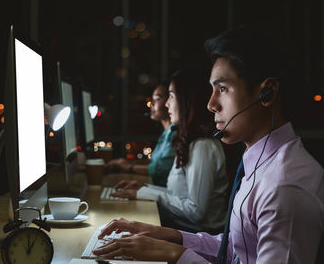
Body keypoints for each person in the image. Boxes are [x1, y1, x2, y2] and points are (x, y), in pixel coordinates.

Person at [92, 25, 324, 264]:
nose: (211, 104)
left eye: (222, 89)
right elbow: (237, 250)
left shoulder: (284, 187)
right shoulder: (261, 161)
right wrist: (168, 236)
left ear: (268, 94)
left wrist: (174, 254)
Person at [110, 70, 228, 233]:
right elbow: (178, 196)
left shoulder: (203, 146)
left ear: (187, 101)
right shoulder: (189, 142)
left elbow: (196, 212)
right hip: (181, 228)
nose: (167, 104)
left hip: (195, 235)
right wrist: (144, 188)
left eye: (171, 96)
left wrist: (148, 193)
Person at [107, 84, 175, 187]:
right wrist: (126, 162)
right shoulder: (166, 133)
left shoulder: (175, 134)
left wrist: (129, 167)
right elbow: (154, 163)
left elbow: (160, 170)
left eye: (157, 99)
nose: (151, 103)